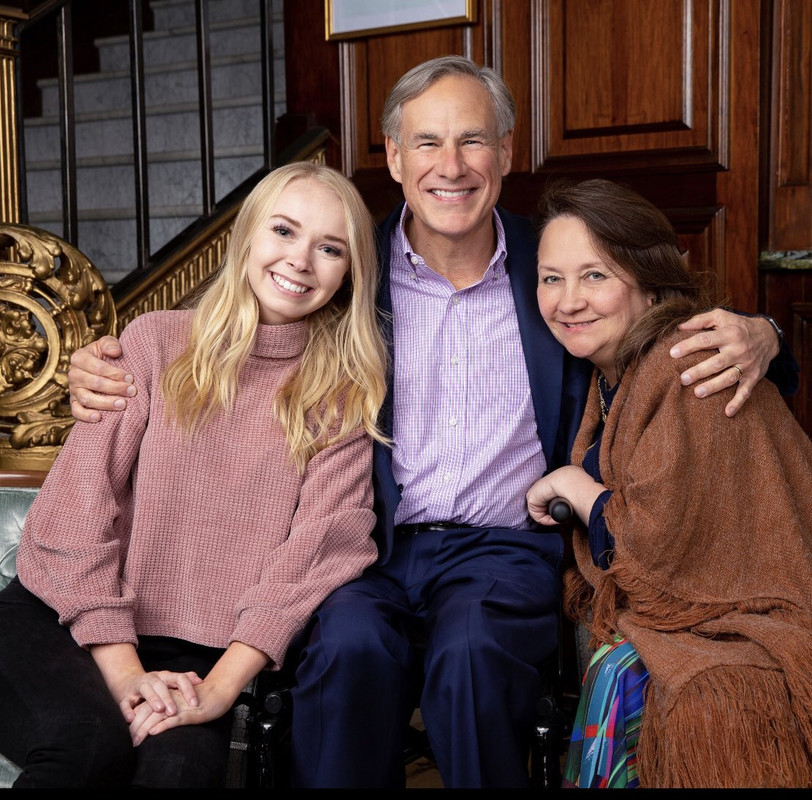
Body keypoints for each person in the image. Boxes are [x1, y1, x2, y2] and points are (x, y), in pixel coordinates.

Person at [65, 57, 797, 789]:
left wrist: (767, 334)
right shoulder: (345, 264)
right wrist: (110, 367)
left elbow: (659, 330)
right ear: (392, 156)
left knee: (472, 656)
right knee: (349, 648)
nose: (451, 166)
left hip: (504, 550)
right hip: (369, 546)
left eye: (472, 140)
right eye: (426, 143)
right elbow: (236, 335)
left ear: (506, 152)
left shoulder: (552, 265)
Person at [0, 161, 389, 788]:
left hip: (199, 658)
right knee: (87, 747)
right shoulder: (155, 343)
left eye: (330, 247)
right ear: (248, 237)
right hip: (59, 621)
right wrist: (127, 677)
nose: (300, 260)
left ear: (348, 273)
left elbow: (319, 550)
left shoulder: (341, 395)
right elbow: (77, 512)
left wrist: (216, 691)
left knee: (178, 775)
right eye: (284, 231)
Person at [527, 177, 812, 789]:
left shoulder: (688, 363)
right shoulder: (611, 368)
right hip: (712, 589)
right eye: (552, 277)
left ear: (650, 280)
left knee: (637, 680)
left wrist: (577, 487)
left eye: (595, 275)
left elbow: (652, 553)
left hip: (760, 603)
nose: (568, 299)